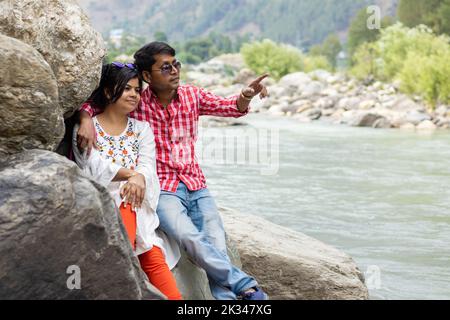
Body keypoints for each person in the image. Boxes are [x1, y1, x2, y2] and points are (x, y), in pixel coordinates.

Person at [77, 42, 269, 300]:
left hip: (196, 184)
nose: (175, 71)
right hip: (165, 189)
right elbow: (99, 103)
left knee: (215, 241)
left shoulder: (192, 95)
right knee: (189, 237)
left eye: (176, 64)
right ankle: (247, 285)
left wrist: (245, 95)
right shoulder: (138, 103)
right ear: (147, 76)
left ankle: (230, 300)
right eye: (165, 67)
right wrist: (85, 118)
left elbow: (230, 107)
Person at [72, 62, 182, 300]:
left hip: (137, 206)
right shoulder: (90, 128)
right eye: (127, 89)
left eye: (137, 90)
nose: (134, 95)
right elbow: (94, 165)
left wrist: (138, 176)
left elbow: (147, 167)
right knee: (141, 239)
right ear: (110, 92)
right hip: (102, 205)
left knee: (152, 254)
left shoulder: (142, 129)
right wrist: (131, 175)